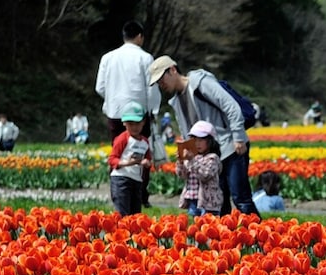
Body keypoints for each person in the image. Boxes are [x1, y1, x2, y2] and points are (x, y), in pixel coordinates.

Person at [148, 55, 256, 215]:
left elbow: (230, 106)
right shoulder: (176, 101)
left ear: (172, 70)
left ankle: (260, 236)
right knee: (220, 202)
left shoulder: (201, 83)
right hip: (210, 156)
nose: (160, 84)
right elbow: (189, 133)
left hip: (230, 146)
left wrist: (238, 137)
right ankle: (227, 239)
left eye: (161, 79)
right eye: (157, 82)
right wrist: (187, 157)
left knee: (240, 197)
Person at [97, 21, 157, 205]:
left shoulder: (108, 57)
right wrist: (152, 110)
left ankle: (117, 191)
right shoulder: (145, 58)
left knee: (117, 150)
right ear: (139, 36)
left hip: (115, 112)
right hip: (139, 114)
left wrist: (111, 100)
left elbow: (100, 87)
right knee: (141, 151)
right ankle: (140, 193)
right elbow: (151, 88)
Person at [107, 101, 151, 216]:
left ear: (144, 122)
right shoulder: (122, 139)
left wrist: (146, 162)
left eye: (138, 123)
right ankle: (121, 233)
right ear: (124, 123)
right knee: (122, 212)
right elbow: (112, 159)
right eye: (131, 124)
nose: (135, 127)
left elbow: (148, 159)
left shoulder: (145, 142)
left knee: (135, 213)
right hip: (121, 179)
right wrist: (128, 163)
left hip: (137, 180)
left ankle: (133, 233)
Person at [176, 120, 223, 217]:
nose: (197, 144)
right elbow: (182, 175)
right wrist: (180, 161)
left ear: (210, 141)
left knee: (208, 227)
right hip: (192, 198)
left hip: (208, 202)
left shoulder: (212, 158)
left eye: (201, 140)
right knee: (195, 227)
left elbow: (205, 175)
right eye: (195, 140)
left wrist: (191, 160)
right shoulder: (191, 157)